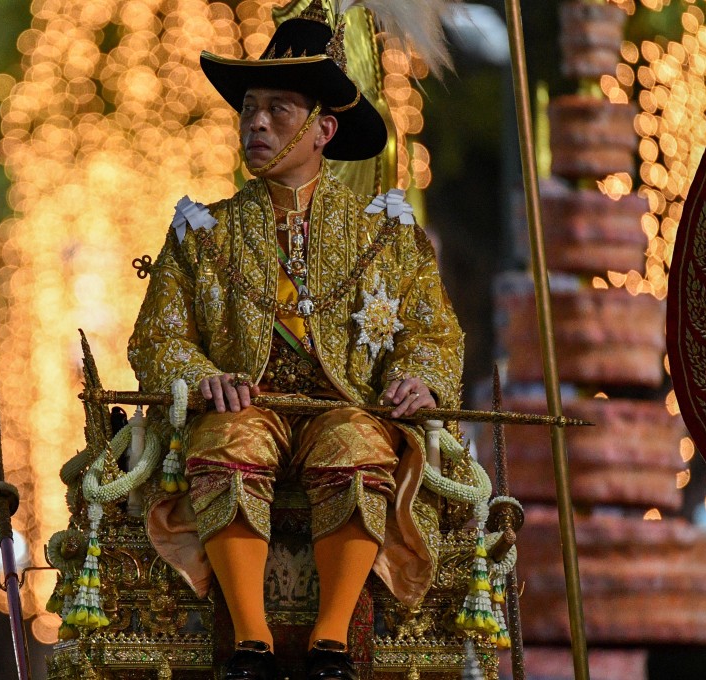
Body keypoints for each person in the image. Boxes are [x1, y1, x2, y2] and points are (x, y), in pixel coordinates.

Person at [127, 2, 463, 678]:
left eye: (278, 109)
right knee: (230, 436)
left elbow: (434, 331)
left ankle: (331, 643)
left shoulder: (386, 234)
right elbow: (157, 338)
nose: (255, 123)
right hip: (247, 411)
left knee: (357, 441)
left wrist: (419, 378)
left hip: (345, 410)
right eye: (249, 108)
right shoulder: (204, 233)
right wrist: (202, 376)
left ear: (323, 129)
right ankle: (250, 643)